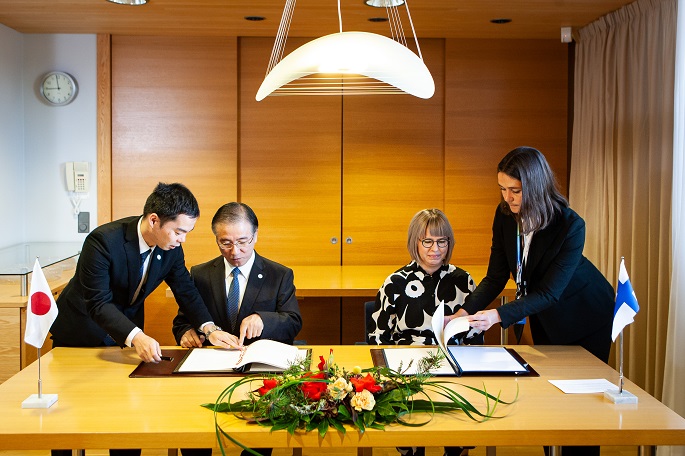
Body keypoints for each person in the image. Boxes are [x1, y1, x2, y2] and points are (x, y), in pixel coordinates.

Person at [50, 182, 237, 456]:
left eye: (187, 232)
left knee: (124, 414)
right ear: (154, 220)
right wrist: (136, 336)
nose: (182, 239)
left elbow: (185, 290)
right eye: (179, 231)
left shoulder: (170, 248)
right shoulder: (103, 241)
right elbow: (98, 303)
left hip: (123, 336)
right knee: (69, 417)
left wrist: (210, 329)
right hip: (81, 331)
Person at [462, 146, 615, 456]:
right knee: (550, 399)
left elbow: (549, 293)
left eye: (515, 190)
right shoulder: (504, 215)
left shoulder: (570, 225)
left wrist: (496, 316)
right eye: (502, 188)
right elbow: (495, 277)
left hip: (587, 314)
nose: (507, 198)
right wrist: (464, 311)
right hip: (546, 312)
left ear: (535, 186)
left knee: (582, 410)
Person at [174, 202, 302, 456]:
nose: (235, 252)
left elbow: (293, 322)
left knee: (256, 445)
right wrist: (185, 333)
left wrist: (264, 320)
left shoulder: (279, 275)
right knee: (195, 439)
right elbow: (182, 321)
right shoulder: (200, 274)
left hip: (257, 375)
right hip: (209, 372)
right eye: (225, 243)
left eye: (243, 242)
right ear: (216, 239)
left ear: (255, 235)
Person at [368, 208, 480, 456]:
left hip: (453, 364)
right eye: (427, 241)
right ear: (415, 242)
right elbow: (378, 338)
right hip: (407, 367)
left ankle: (455, 448)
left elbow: (474, 338)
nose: (435, 249)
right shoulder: (395, 282)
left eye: (442, 241)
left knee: (456, 424)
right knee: (411, 424)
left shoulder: (463, 280)